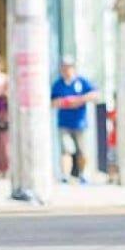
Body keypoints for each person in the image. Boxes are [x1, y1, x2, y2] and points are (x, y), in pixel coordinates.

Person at [50, 56, 98, 184]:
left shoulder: (81, 82)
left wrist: (79, 100)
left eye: (69, 67)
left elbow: (94, 95)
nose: (66, 70)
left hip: (80, 122)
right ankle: (65, 175)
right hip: (64, 122)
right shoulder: (58, 84)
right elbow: (52, 102)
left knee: (82, 150)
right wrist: (63, 102)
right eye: (64, 67)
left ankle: (83, 174)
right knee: (66, 149)